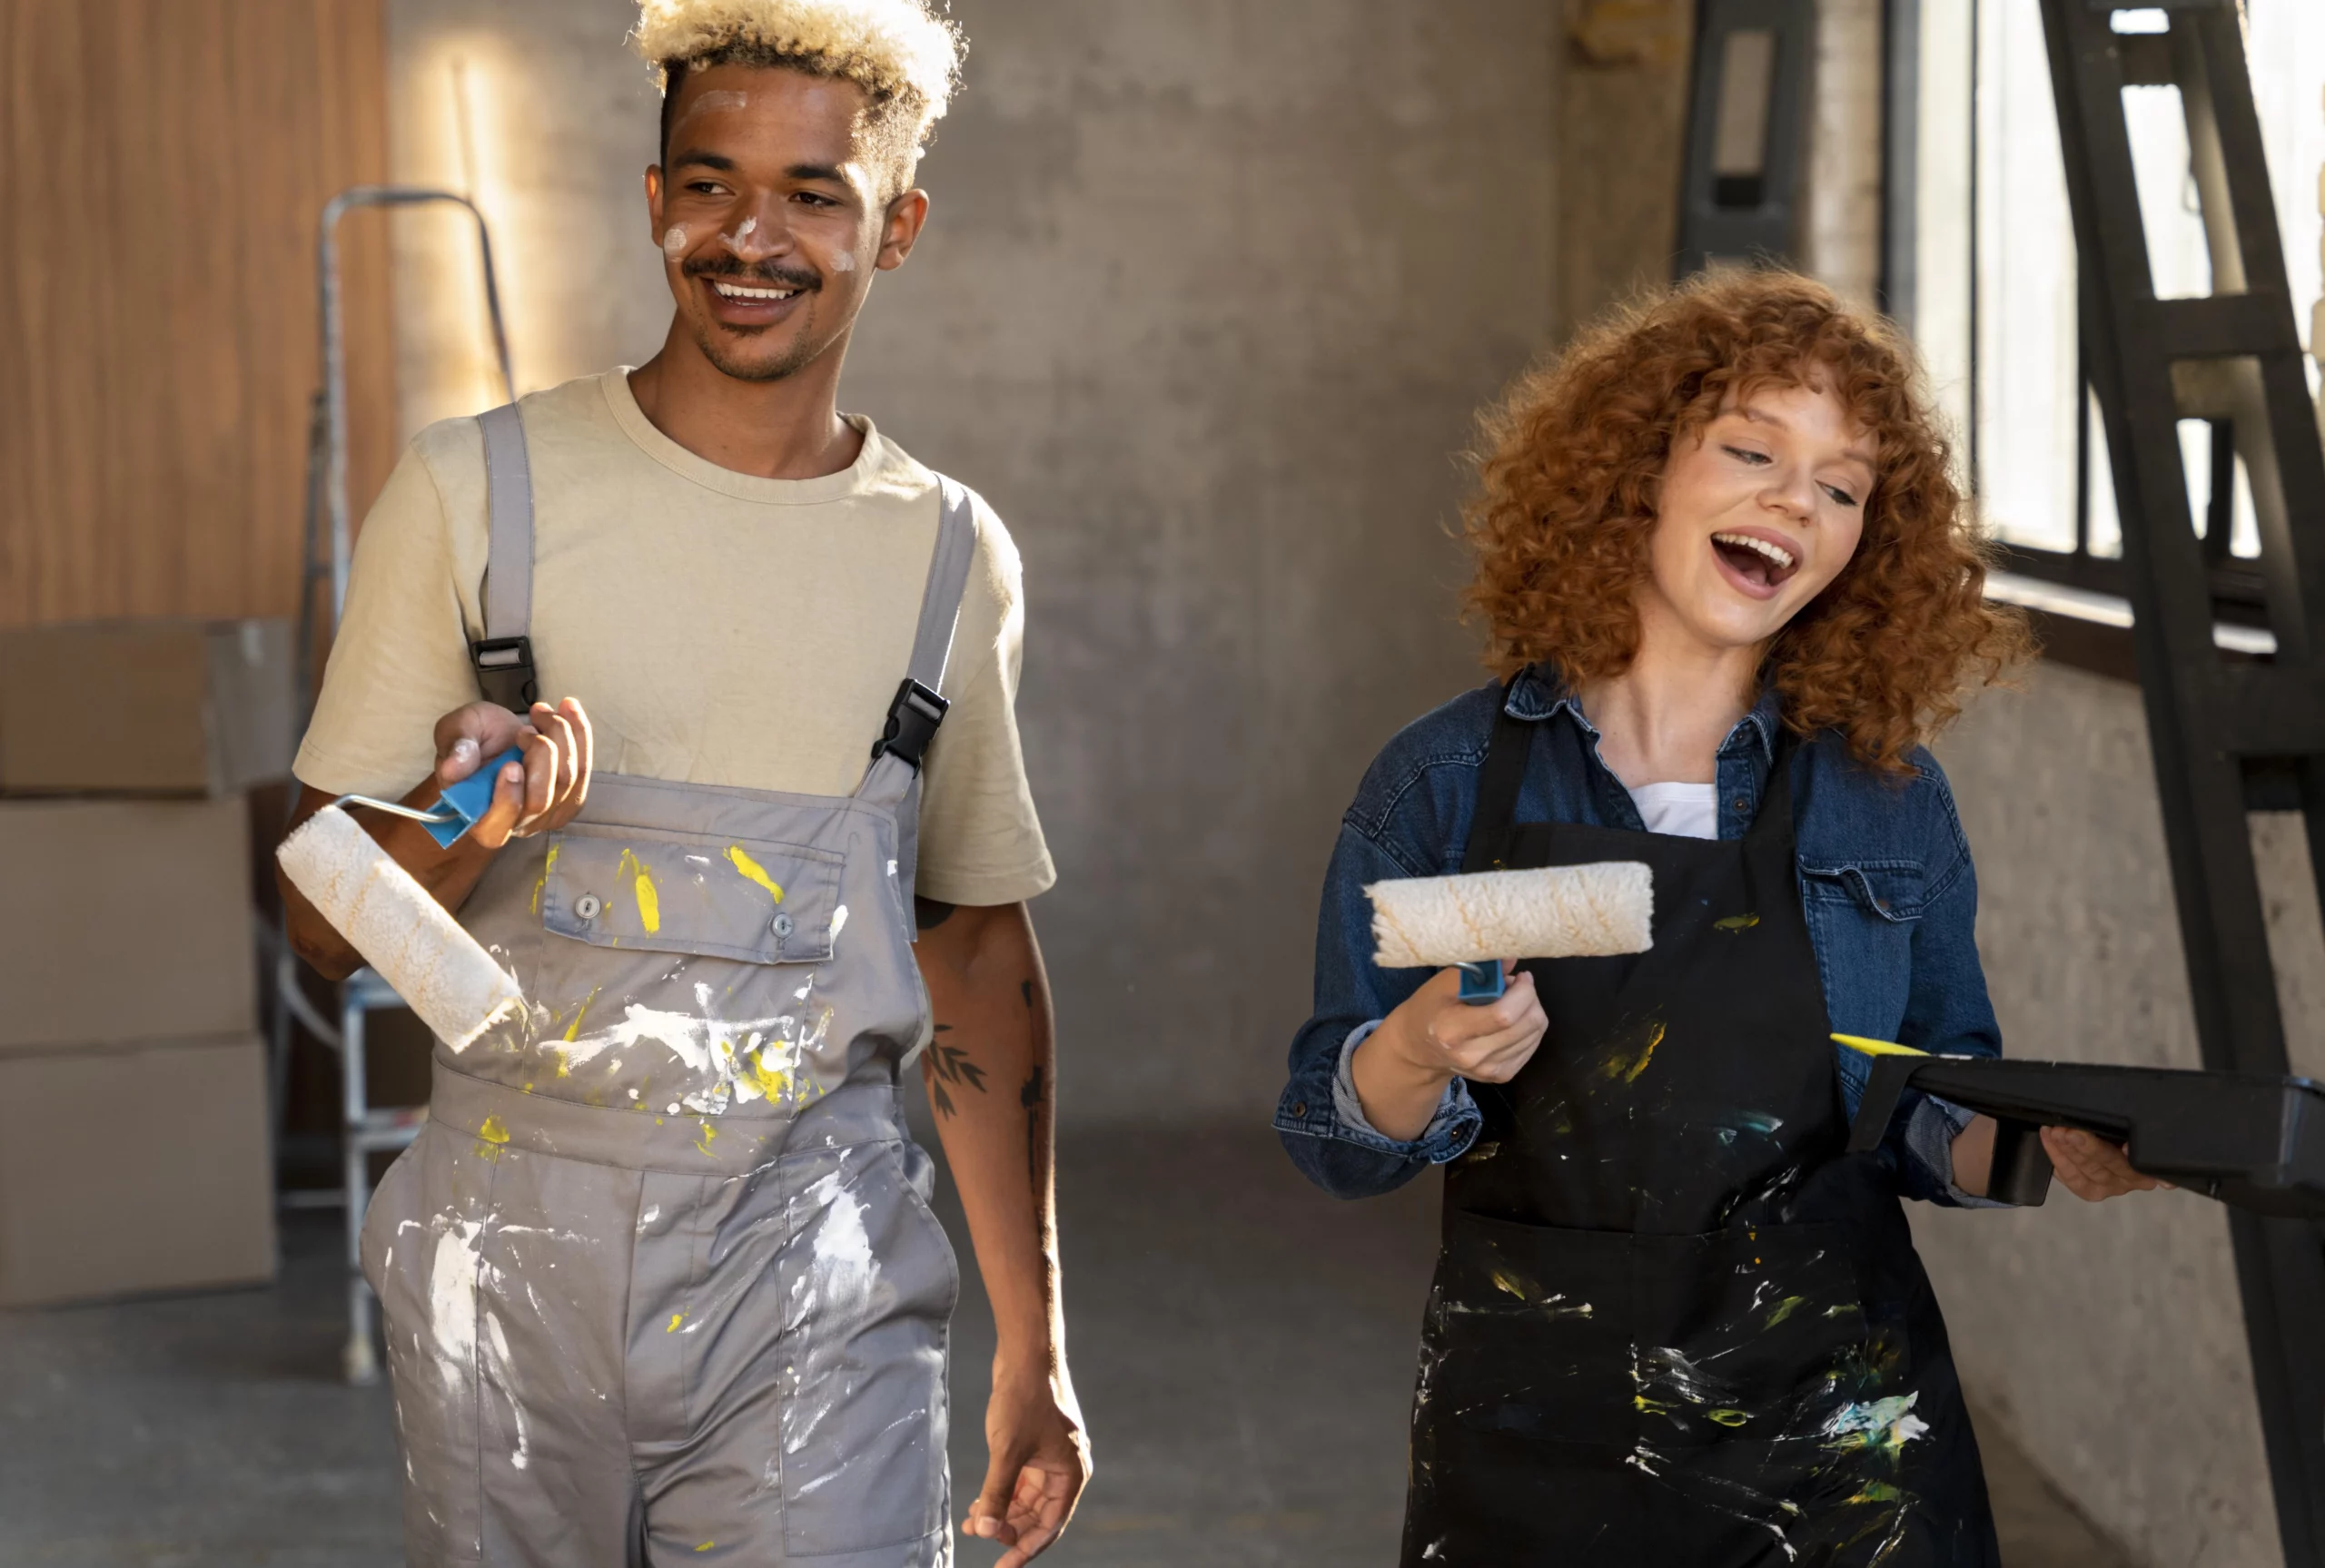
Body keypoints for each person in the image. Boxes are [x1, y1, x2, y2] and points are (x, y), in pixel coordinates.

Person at [279, 2, 1088, 1562]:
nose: (752, 237)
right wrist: (464, 820)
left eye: (813, 194)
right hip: (500, 1281)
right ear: (654, 202)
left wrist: (1033, 1346)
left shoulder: (944, 558)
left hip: (817, 1280)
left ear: (896, 227)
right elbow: (323, 934)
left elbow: (978, 956)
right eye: (709, 183)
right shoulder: (478, 494)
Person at [1273, 270, 2157, 1565]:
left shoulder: (1887, 806)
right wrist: (1414, 1051)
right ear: (1637, 468)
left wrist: (2050, 1147)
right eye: (1753, 448)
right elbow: (1331, 1134)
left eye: (1845, 486)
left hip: (1840, 1441)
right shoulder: (1445, 785)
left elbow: (1924, 1103)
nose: (1798, 499)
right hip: (1541, 1435)